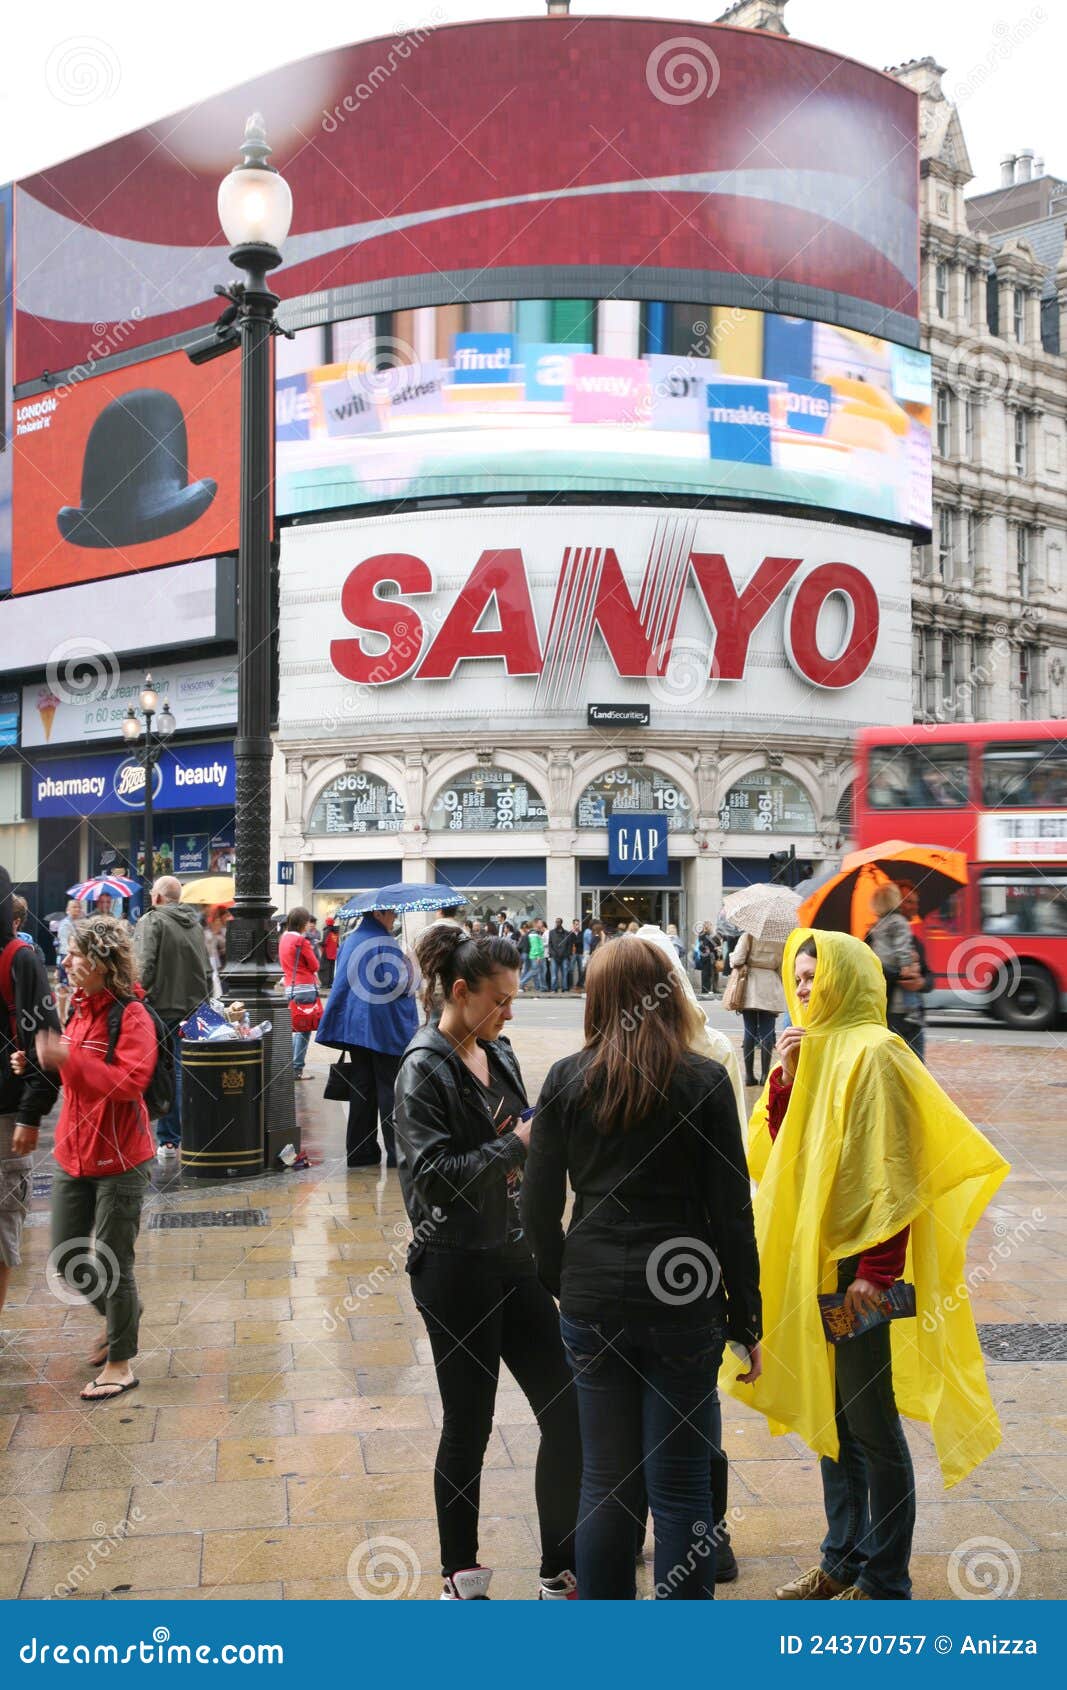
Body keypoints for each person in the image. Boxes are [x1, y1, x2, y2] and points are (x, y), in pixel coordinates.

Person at [723, 929, 1009, 1602]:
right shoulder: (805, 1051)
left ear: (843, 981)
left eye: (811, 979)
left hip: (859, 1269)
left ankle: (884, 1579)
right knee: (829, 1418)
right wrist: (786, 1082)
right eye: (794, 979)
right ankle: (839, 1561)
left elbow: (897, 1172)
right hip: (809, 1263)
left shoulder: (879, 1053)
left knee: (868, 1421)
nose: (799, 990)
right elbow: (774, 1157)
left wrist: (874, 1274)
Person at [522, 936, 761, 1600]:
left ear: (595, 999)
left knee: (604, 1480)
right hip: (682, 1298)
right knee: (680, 1483)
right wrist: (746, 1316)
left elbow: (537, 1210)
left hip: (594, 1295)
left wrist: (562, 1282)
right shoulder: (703, 1080)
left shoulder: (567, 1079)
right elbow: (730, 1213)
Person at [394, 926, 581, 1601]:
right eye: (500, 1000)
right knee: (468, 1424)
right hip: (453, 1267)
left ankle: (559, 1568)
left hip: (512, 1256)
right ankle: (460, 1575)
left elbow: (522, 1132)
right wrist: (519, 1145)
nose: (510, 1012)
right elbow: (435, 1178)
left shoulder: (495, 1052)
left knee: (566, 1409)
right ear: (461, 991)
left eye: (513, 999)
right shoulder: (423, 1066)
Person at [36, 915, 158, 1400]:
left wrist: (71, 1060)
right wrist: (43, 1062)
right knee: (66, 1259)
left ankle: (121, 1363)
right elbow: (78, 1078)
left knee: (112, 1262)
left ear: (101, 962)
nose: (65, 961)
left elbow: (130, 1084)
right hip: (73, 1152)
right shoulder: (79, 1009)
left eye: (74, 953)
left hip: (121, 1157)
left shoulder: (131, 1015)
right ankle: (120, 1315)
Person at [0, 867, 61, 1337]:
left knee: (1, 1223)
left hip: (5, 1114)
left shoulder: (20, 958)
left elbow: (46, 1039)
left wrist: (29, 1114)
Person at [317, 907, 418, 1167]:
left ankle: (360, 1152)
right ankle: (398, 1154)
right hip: (383, 1027)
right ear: (378, 915)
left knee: (362, 1087)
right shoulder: (384, 943)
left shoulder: (352, 939)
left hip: (355, 1027)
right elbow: (400, 985)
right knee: (389, 1089)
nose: (395, 917)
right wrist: (411, 970)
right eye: (391, 914)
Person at [132, 876, 211, 1163]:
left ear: (157, 897)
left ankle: (168, 1140)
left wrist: (137, 998)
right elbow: (207, 969)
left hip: (161, 1009)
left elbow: (143, 966)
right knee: (187, 1072)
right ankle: (190, 1134)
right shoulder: (195, 925)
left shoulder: (152, 921)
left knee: (164, 1075)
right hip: (194, 1009)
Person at [866, 882, 929, 1060]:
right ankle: (912, 1013)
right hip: (891, 1014)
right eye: (908, 901)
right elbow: (873, 968)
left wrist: (920, 982)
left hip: (900, 1017)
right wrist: (906, 967)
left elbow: (928, 978)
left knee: (914, 1068)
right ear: (897, 901)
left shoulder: (877, 927)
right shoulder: (899, 925)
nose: (912, 906)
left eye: (915, 902)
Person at [727, 927, 786, 1087]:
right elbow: (782, 966)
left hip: (750, 985)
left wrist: (732, 957)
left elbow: (737, 960)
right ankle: (765, 1076)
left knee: (749, 1031)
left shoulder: (749, 936)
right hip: (771, 984)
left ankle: (749, 1076)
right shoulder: (781, 939)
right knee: (768, 1032)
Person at [279, 907, 321, 1082]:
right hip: (305, 988)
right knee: (303, 1031)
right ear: (303, 923)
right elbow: (314, 965)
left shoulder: (284, 939)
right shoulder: (301, 941)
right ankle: (297, 1068)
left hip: (290, 986)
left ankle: (291, 1066)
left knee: (296, 1028)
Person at [55, 899, 83, 1022]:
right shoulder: (65, 924)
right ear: (68, 909)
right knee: (63, 988)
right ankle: (61, 1016)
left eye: (78, 907)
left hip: (78, 957)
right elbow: (66, 945)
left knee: (77, 988)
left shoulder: (82, 923)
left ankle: (75, 1015)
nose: (76, 909)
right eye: (73, 907)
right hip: (66, 956)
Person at [203, 904, 231, 999]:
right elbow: (209, 950)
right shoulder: (208, 932)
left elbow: (226, 948)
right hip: (215, 968)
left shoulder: (225, 930)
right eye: (226, 916)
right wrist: (215, 933)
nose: (228, 918)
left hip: (224, 967)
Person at [547, 917, 571, 992]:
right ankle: (554, 988)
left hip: (564, 956)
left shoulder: (566, 933)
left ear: (561, 923)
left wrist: (566, 954)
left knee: (565, 974)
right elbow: (550, 944)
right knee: (554, 975)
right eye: (556, 922)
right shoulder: (551, 932)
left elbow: (569, 945)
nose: (557, 923)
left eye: (559, 922)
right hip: (554, 956)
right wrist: (553, 953)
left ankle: (565, 988)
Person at [320, 919, 339, 989]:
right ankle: (330, 984)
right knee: (331, 969)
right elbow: (337, 944)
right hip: (333, 954)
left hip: (326, 953)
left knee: (324, 969)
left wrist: (318, 943)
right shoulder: (335, 932)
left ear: (327, 923)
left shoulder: (327, 931)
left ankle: (325, 984)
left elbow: (324, 942)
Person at [527, 920, 546, 991]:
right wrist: (538, 956)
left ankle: (539, 987)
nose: (542, 923)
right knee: (535, 971)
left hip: (538, 955)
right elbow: (535, 946)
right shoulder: (534, 933)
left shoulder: (537, 932)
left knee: (537, 972)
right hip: (536, 956)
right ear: (536, 924)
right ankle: (522, 982)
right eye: (540, 922)